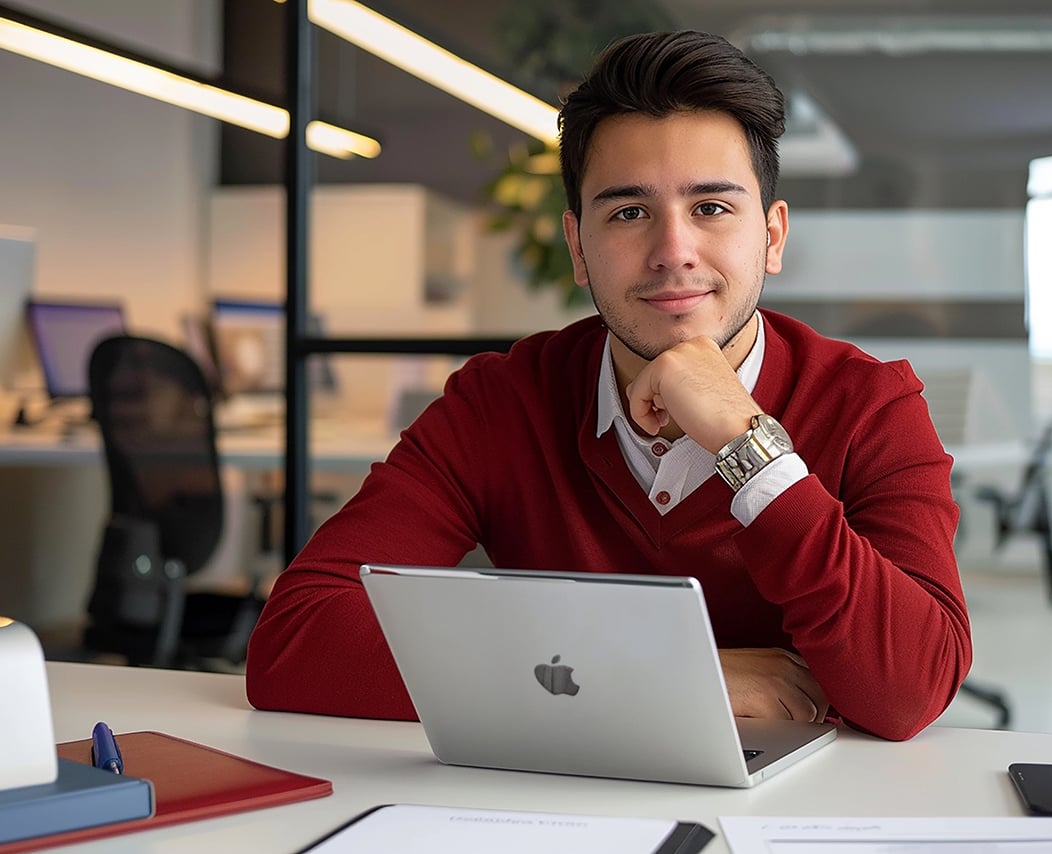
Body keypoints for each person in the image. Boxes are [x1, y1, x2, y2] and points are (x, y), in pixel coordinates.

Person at [246, 30, 971, 742]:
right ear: (578, 248)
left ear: (773, 237)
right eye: (628, 212)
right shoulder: (500, 403)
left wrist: (749, 445)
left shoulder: (871, 405)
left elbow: (911, 688)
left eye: (711, 208)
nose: (672, 251)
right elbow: (296, 643)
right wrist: (667, 677)